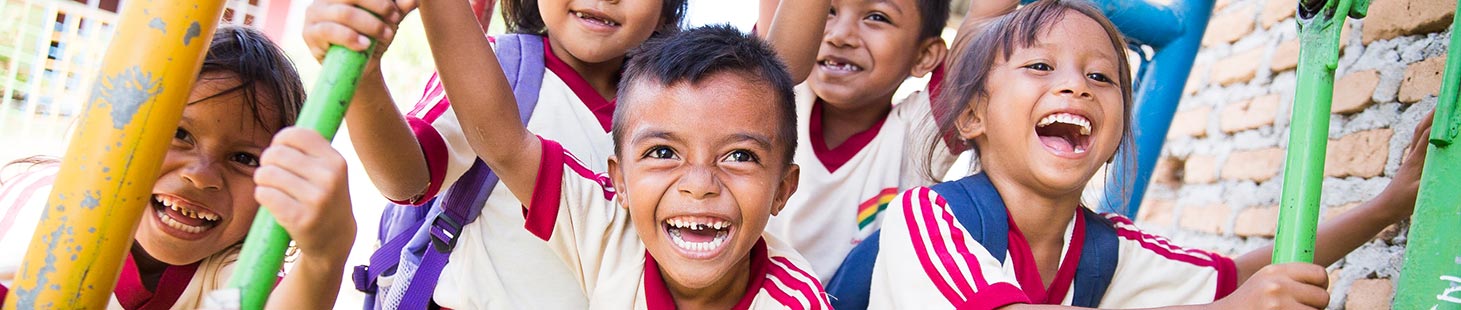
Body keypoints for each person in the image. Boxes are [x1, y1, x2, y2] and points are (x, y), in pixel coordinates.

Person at [869, 0, 1434, 308]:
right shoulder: (927, 218)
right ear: (972, 117)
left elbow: (1237, 277)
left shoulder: (1107, 248)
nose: (1077, 87)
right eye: (1041, 67)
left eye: (1101, 76)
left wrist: (1386, 206)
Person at [303, 0, 828, 307]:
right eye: (663, 152)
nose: (698, 182)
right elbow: (420, 174)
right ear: (617, 177)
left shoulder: (683, 96)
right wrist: (366, 76)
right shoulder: (497, 70)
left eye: (736, 158)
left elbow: (773, 77)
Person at [0, 26, 355, 309]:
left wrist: (325, 258)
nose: (200, 175)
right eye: (180, 134)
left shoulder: (227, 269)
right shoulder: (46, 216)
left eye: (244, 158)